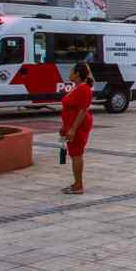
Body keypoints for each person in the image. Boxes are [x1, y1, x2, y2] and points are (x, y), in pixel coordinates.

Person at [59, 63, 94, 195]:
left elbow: (82, 110)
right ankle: (76, 182)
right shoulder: (77, 87)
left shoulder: (84, 89)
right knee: (74, 153)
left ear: (78, 73)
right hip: (71, 124)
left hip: (78, 126)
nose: (70, 73)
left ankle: (78, 185)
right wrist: (64, 126)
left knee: (77, 154)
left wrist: (73, 129)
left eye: (72, 70)